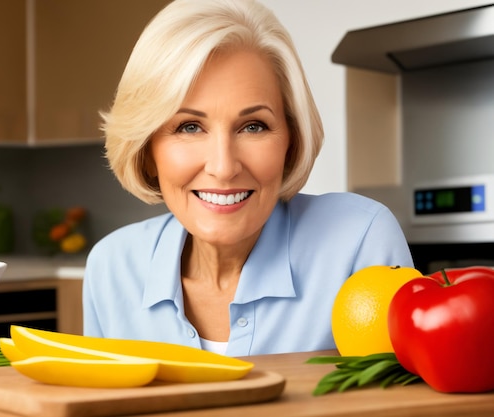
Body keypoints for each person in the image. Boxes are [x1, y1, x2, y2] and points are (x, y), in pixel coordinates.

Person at [82, 0, 414, 356]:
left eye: (253, 126)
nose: (223, 167)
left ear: (292, 139)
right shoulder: (112, 266)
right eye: (189, 127)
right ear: (147, 150)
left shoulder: (359, 242)